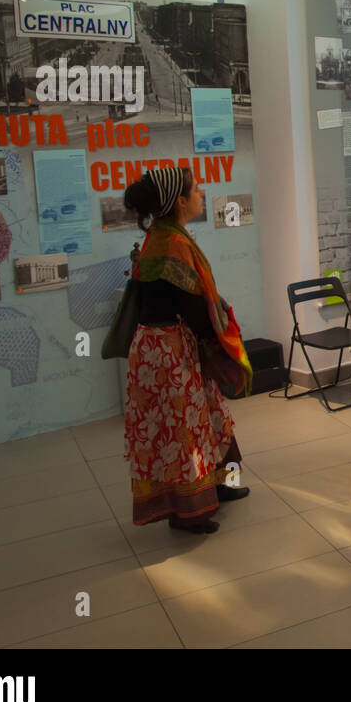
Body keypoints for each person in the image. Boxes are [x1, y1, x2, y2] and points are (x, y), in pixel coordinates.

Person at [122, 166, 253, 535]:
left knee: (207, 416)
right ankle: (188, 512)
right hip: (169, 350)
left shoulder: (164, 236)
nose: (202, 191)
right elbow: (193, 302)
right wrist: (220, 340)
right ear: (180, 202)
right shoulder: (173, 243)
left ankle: (217, 484)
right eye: (196, 189)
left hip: (167, 346)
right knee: (182, 433)